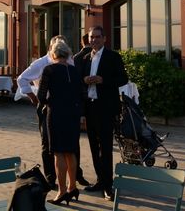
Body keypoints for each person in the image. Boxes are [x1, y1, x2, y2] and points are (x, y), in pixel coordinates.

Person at [16, 35, 89, 189]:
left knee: (72, 144)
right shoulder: (42, 63)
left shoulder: (70, 63)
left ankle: (75, 176)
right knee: (48, 144)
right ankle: (51, 177)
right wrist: (33, 98)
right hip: (47, 107)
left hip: (68, 108)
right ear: (51, 48)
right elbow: (22, 79)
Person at [75, 26, 128, 201]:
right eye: (91, 37)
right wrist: (84, 80)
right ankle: (99, 180)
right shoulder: (84, 58)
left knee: (105, 148)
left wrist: (102, 80)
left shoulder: (113, 57)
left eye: (97, 37)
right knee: (93, 146)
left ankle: (108, 185)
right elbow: (78, 81)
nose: (94, 40)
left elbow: (123, 79)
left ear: (104, 38)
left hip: (105, 108)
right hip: (89, 107)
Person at [37, 39, 82, 205]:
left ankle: (62, 191)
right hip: (73, 115)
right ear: (68, 53)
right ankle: (72, 187)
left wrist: (49, 102)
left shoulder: (49, 70)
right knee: (71, 151)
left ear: (54, 54)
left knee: (58, 152)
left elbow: (41, 96)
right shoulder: (75, 70)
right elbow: (80, 93)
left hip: (56, 113)